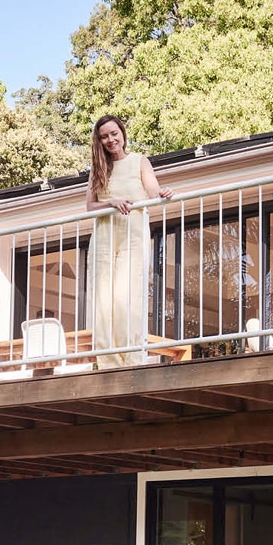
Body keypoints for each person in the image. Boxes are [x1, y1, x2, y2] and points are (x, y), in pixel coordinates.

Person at [87, 115, 171, 369]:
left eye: (114, 133)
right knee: (104, 298)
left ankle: (132, 357)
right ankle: (108, 360)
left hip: (132, 233)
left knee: (129, 294)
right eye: (104, 136)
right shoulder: (98, 168)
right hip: (104, 234)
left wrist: (163, 194)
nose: (111, 140)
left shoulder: (139, 161)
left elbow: (153, 190)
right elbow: (90, 206)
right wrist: (111, 202)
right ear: (99, 141)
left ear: (122, 133)